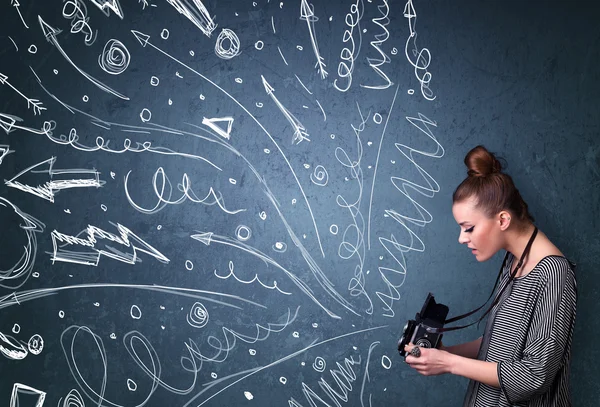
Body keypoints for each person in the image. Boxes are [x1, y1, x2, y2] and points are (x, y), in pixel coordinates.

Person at [403, 145, 577, 406]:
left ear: (503, 220)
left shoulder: (554, 275)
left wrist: (450, 363)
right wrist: (443, 353)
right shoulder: (514, 259)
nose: (462, 238)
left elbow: (534, 375)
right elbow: (502, 341)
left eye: (469, 228)